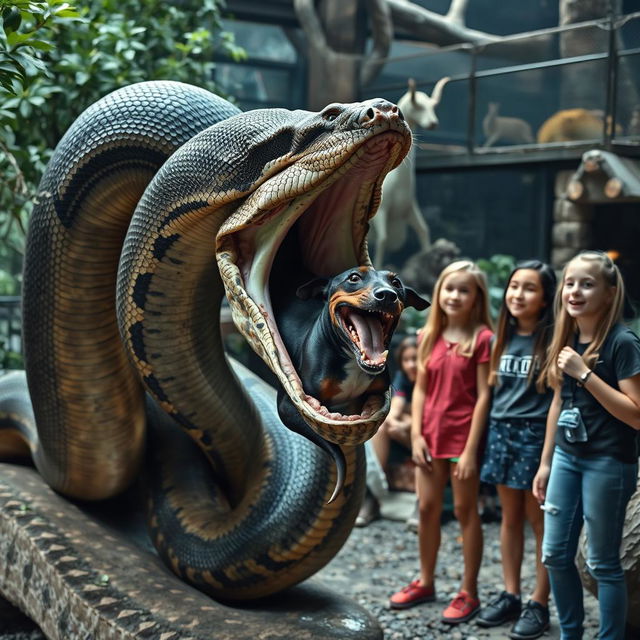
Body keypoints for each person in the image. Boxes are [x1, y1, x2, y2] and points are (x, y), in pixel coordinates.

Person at [533, 250, 640, 640]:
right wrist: (546, 463)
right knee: (554, 554)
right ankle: (571, 634)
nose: (575, 291)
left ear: (610, 293)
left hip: (608, 463)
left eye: (587, 283)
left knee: (602, 563)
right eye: (571, 282)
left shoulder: (623, 342)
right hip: (566, 457)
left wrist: (586, 374)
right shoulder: (568, 335)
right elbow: (558, 403)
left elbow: (636, 414)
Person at [389, 260, 493, 624]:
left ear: (476, 296)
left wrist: (468, 450)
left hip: (463, 441)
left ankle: (469, 592)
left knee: (466, 512)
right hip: (429, 437)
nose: (455, 295)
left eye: (464, 290)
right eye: (449, 288)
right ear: (439, 292)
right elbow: (420, 391)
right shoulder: (427, 335)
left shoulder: (482, 339)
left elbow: (483, 397)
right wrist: (416, 435)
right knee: (427, 509)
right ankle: (426, 580)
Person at [477, 260, 556, 639]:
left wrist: (547, 458)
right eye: (513, 286)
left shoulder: (555, 340)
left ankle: (539, 601)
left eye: (529, 289)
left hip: (536, 434)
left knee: (538, 521)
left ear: (544, 300)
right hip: (501, 432)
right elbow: (490, 393)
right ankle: (511, 593)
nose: (517, 295)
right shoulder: (498, 338)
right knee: (508, 519)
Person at [356, 336, 418, 526]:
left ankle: (422, 503)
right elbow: (394, 412)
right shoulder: (403, 378)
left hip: (426, 434)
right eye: (407, 360)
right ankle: (372, 495)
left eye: (416, 359)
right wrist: (402, 421)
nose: (411, 365)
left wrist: (407, 421)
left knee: (409, 425)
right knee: (382, 428)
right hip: (405, 433)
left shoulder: (432, 377)